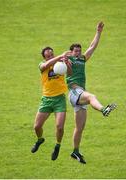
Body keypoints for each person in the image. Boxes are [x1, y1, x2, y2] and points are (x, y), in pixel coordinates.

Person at [66, 22, 116, 164]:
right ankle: (104, 109)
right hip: (75, 91)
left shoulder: (82, 58)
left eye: (79, 50)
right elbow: (67, 73)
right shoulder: (67, 60)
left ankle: (75, 152)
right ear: (70, 52)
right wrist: (66, 61)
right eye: (75, 51)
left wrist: (98, 32)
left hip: (80, 94)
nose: (78, 52)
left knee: (79, 128)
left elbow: (92, 46)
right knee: (92, 96)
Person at [31, 47, 71, 161]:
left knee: (59, 127)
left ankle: (57, 145)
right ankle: (40, 140)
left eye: (52, 54)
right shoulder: (42, 65)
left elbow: (70, 73)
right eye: (48, 56)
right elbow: (45, 66)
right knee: (37, 127)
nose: (51, 57)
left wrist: (67, 63)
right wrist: (60, 56)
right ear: (44, 58)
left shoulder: (60, 64)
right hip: (46, 100)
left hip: (60, 100)